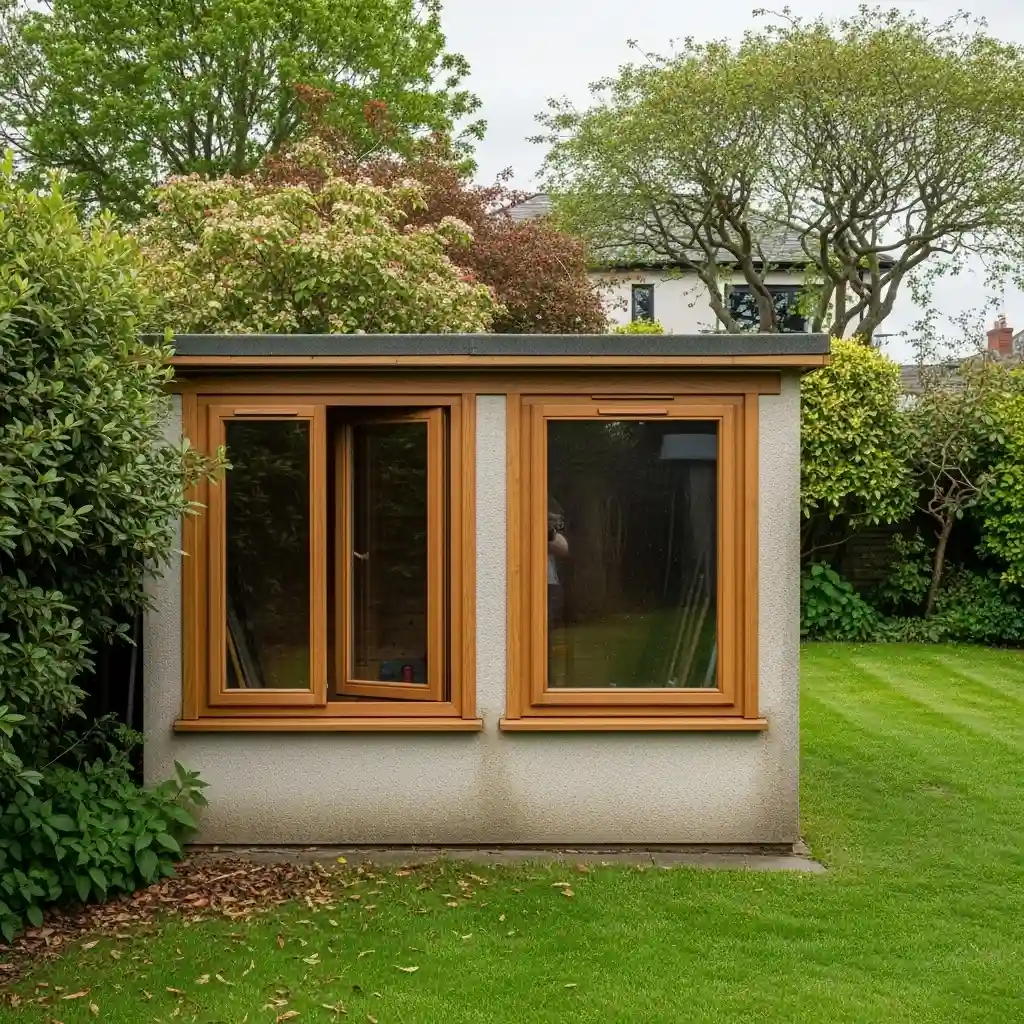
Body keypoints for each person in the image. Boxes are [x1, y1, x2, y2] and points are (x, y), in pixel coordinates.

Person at [547, 501, 568, 683]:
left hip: (548, 585)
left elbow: (563, 548)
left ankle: (546, 683)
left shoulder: (550, 522)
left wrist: (548, 531)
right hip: (520, 584)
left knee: (546, 638)